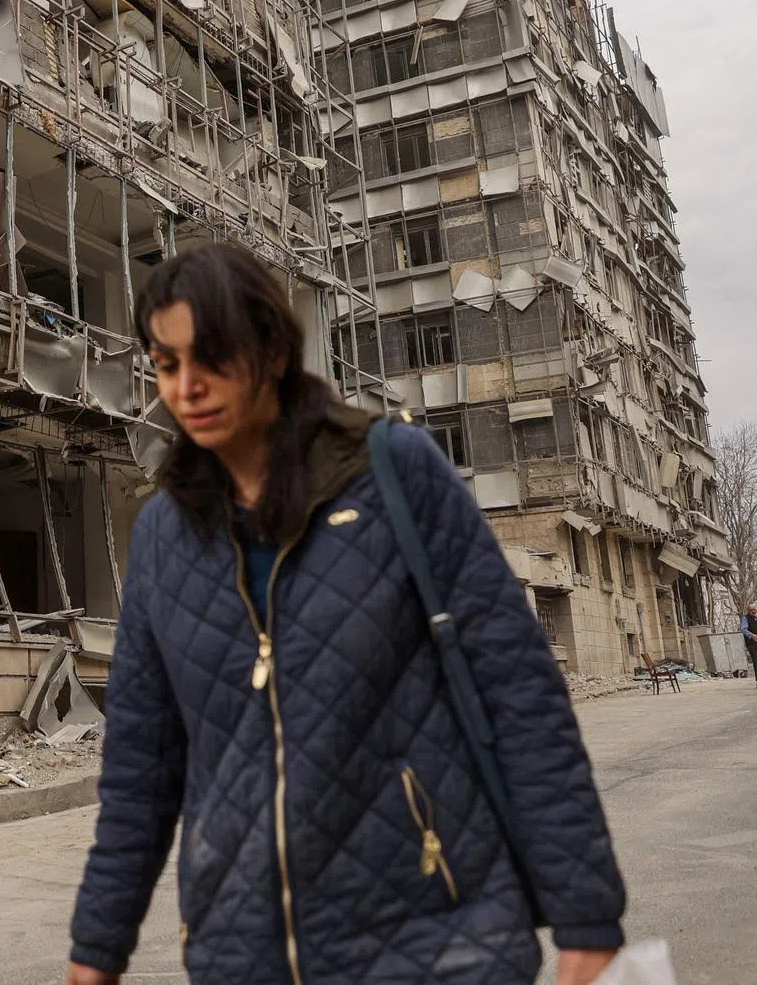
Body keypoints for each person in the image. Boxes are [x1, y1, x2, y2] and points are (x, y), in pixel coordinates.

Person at [66, 243, 626, 985]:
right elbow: (140, 769)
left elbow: (520, 694)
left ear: (271, 349)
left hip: (438, 937)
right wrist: (95, 951)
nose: (187, 386)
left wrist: (586, 915)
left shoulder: (394, 473)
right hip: (243, 952)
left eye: (211, 357)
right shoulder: (167, 538)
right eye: (167, 365)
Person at [742, 604, 757, 687]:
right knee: (756, 662)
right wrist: (752, 636)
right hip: (752, 644)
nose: (753, 611)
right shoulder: (745, 618)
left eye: (754, 609)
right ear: (748, 610)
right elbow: (743, 629)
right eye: (751, 610)